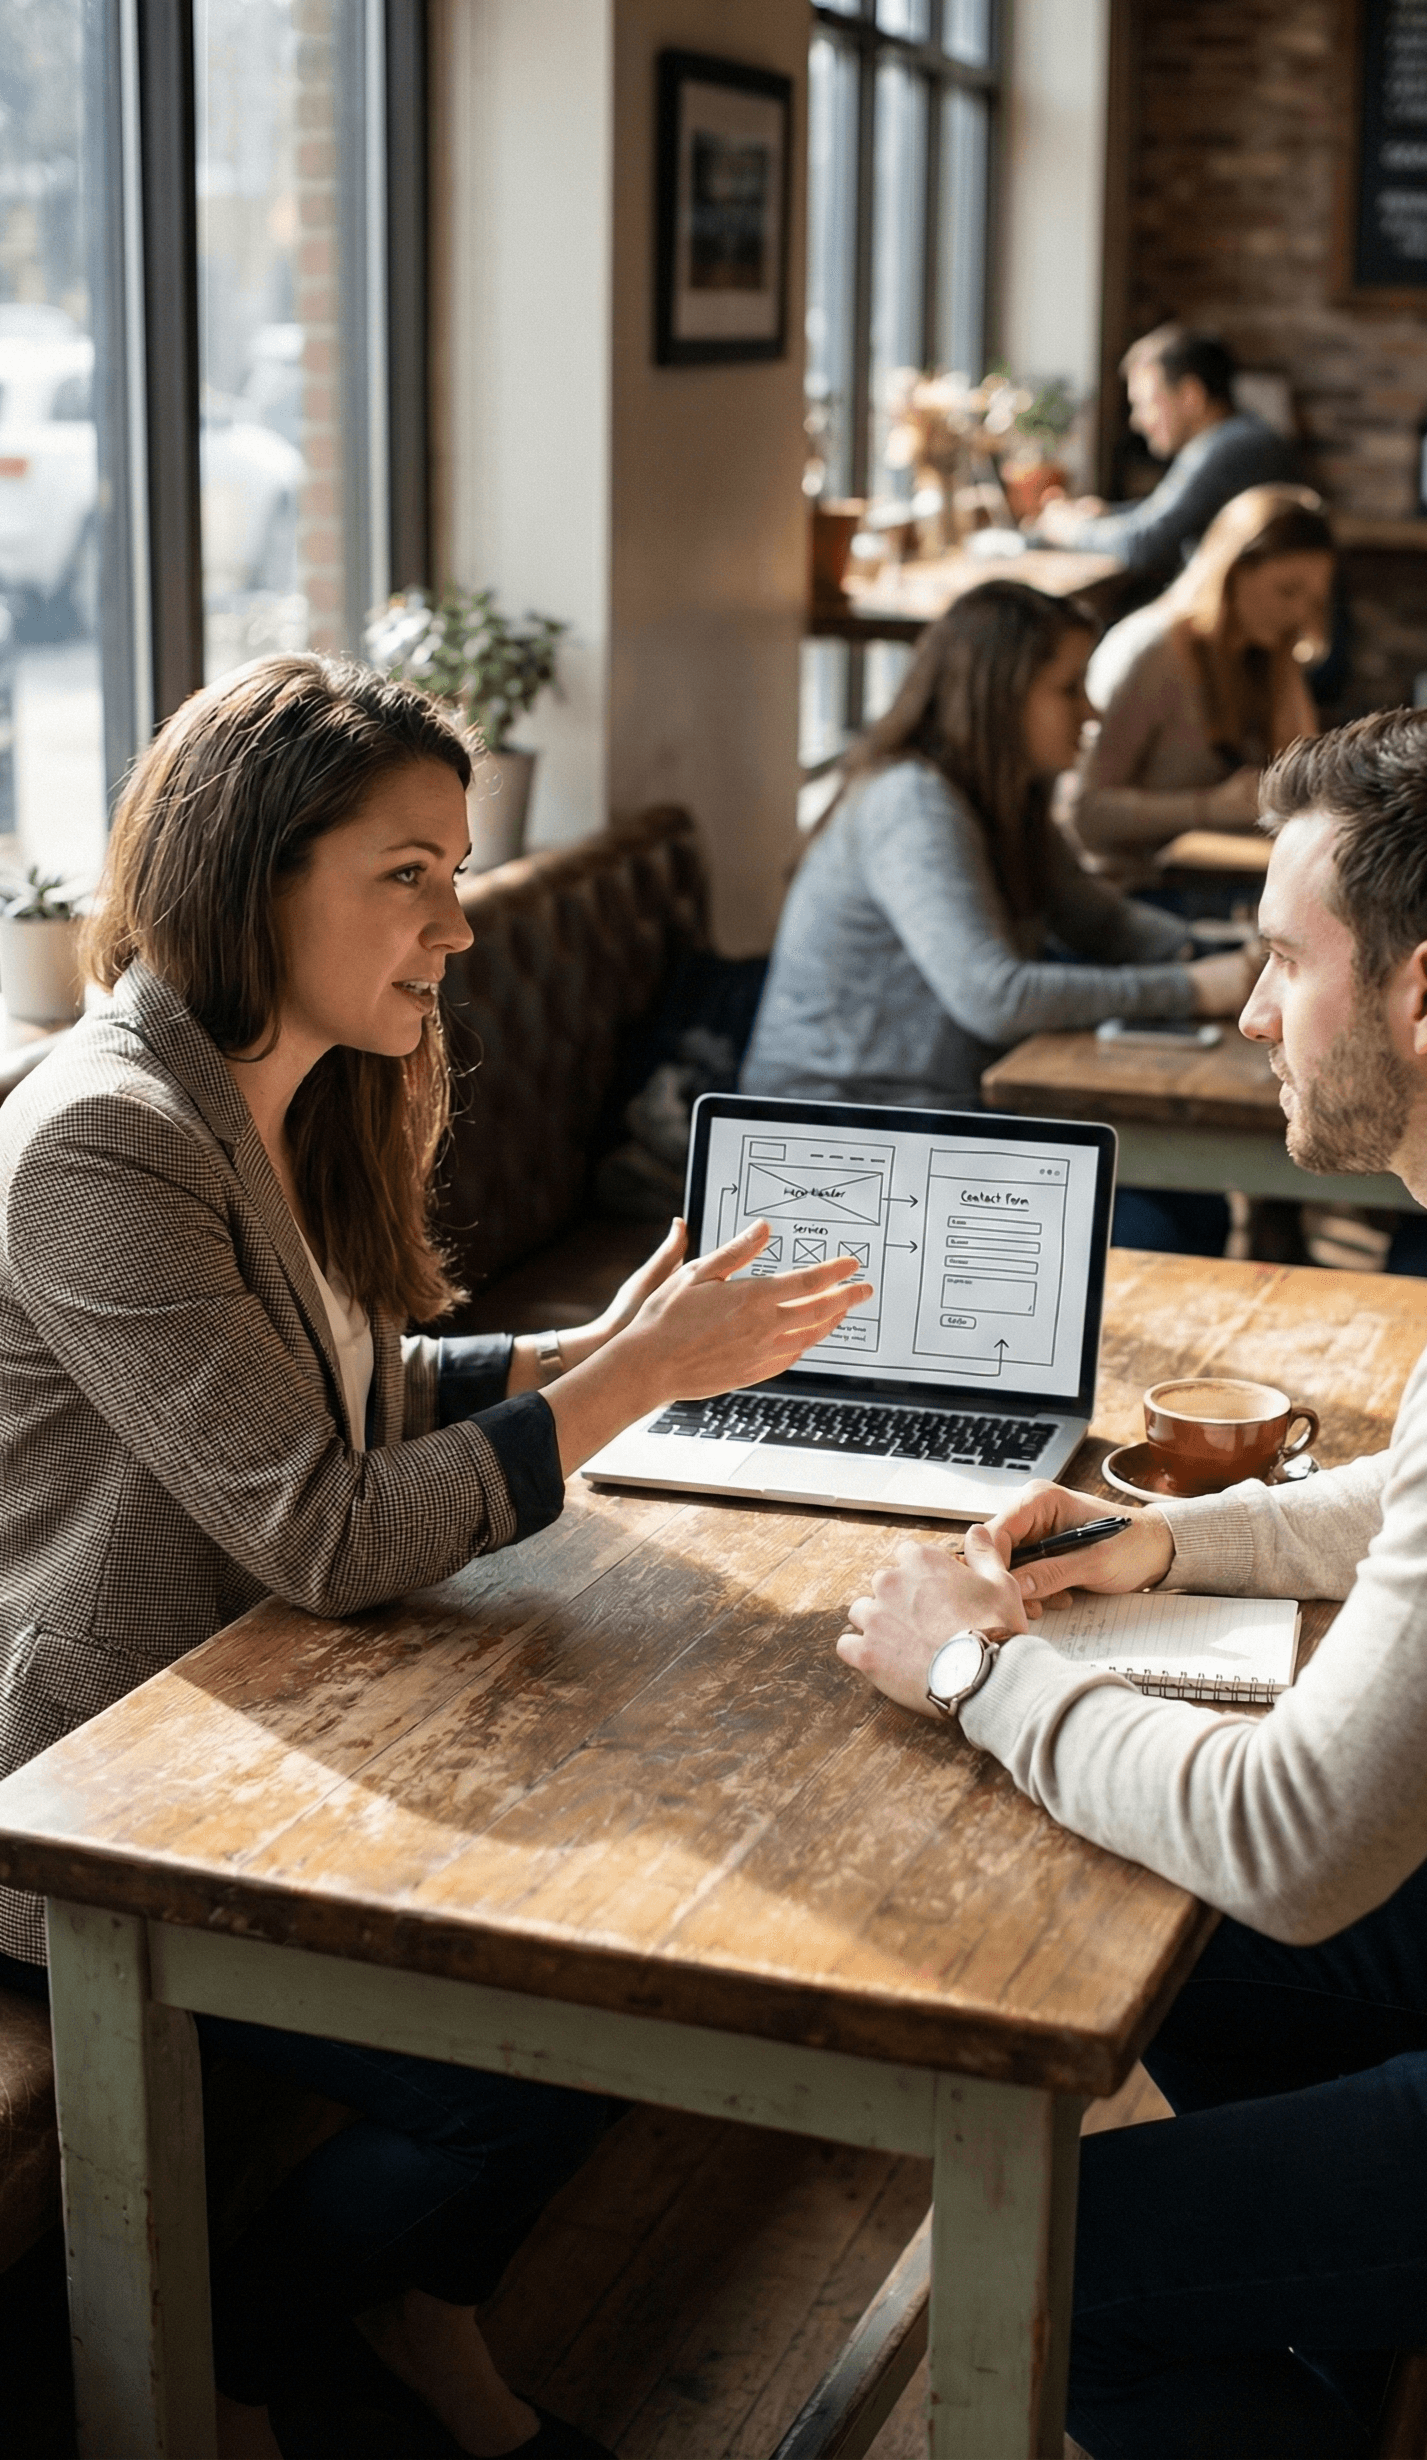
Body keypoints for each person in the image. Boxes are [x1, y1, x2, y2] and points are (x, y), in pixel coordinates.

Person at [0, 656, 870, 2460]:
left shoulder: (271, 1090)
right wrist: (636, 1381)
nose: (457, 925)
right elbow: (318, 1524)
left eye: (458, 871)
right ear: (256, 872)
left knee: (623, 1958)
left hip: (241, 1711)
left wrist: (582, 1351)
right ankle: (246, 2345)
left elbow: (345, 1391)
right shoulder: (104, 1134)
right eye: (411, 871)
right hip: (83, 1776)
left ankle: (403, 2313)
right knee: (543, 2038)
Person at [835, 703, 1427, 2460]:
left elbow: (1298, 1843)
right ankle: (1368, 2363)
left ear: (1426, 993)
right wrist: (1163, 1538)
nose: (1244, 1012)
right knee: (1133, 1945)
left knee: (1050, 2265)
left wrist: (972, 1671)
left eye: (1282, 960)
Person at [739, 581, 1258, 1253]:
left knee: (1190, 1210)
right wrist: (1197, 986)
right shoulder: (913, 802)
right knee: (1154, 1227)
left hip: (931, 1122)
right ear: (999, 695)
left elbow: (1100, 922)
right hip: (839, 1151)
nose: (1091, 709)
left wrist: (1220, 953)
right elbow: (995, 997)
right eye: (1069, 688)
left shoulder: (1003, 795)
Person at [1058, 484, 1335, 895]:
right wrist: (1209, 808)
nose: (1298, 613)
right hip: (1136, 886)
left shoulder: (1271, 651)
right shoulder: (1152, 654)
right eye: (1286, 591)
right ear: (1233, 572)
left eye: (1311, 599)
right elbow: (1084, 814)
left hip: (1216, 876)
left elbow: (1302, 778)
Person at [1031, 324, 1294, 584]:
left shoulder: (1226, 447)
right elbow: (1172, 514)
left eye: (1145, 404)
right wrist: (1109, 514)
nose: (1136, 421)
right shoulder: (1243, 435)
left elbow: (1145, 544)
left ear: (1191, 395)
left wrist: (1071, 530)